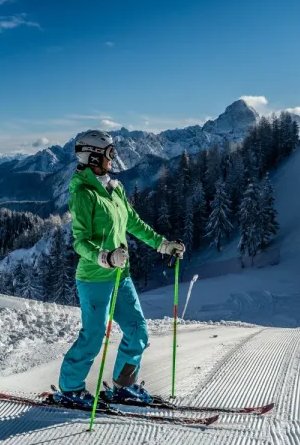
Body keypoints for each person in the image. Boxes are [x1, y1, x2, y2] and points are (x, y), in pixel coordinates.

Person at [54, 130, 185, 409]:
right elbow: (80, 242)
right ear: (93, 156)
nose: (114, 159)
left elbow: (133, 223)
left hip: (120, 276)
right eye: (110, 153)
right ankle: (70, 388)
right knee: (94, 335)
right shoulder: (83, 193)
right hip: (94, 278)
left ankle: (123, 386)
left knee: (138, 330)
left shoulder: (115, 189)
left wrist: (163, 245)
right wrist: (104, 257)